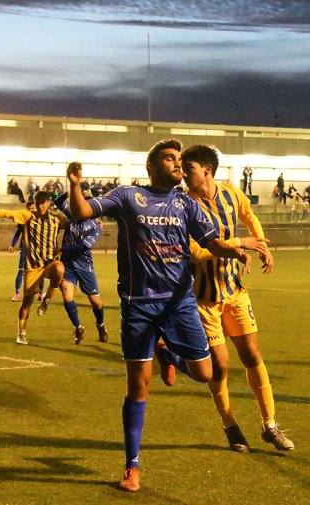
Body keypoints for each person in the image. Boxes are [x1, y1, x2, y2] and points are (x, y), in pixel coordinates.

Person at [65, 140, 248, 493]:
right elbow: (81, 212)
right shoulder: (128, 196)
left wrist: (239, 248)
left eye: (179, 160)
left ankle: (168, 354)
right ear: (151, 166)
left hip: (179, 303)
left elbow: (213, 243)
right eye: (169, 158)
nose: (178, 164)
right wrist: (74, 185)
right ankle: (132, 467)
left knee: (204, 372)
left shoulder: (186, 203)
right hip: (138, 304)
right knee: (138, 387)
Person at [179, 144, 293, 453]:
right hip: (203, 300)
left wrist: (263, 245)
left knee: (253, 356)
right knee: (220, 365)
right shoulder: (184, 205)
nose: (183, 175)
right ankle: (230, 425)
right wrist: (239, 241)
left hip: (235, 292)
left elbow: (250, 216)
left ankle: (270, 425)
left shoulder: (231, 194)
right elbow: (196, 252)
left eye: (187, 169)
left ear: (207, 170)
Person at [0, 190, 64, 345]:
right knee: (27, 302)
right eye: (38, 203)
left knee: (60, 269)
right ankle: (21, 332)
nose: (40, 206)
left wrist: (95, 221)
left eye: (43, 202)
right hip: (33, 267)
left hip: (49, 264)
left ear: (49, 203)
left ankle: (47, 299)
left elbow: (76, 223)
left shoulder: (56, 220)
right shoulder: (28, 216)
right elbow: (7, 213)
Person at [53, 192, 109, 345]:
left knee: (95, 302)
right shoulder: (73, 214)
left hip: (84, 266)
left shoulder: (95, 226)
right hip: (68, 265)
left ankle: (101, 325)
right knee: (67, 297)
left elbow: (84, 246)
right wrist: (69, 192)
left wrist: (63, 250)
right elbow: (58, 201)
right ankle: (79, 327)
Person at [9, 202, 45, 303]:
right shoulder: (22, 220)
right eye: (29, 208)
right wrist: (12, 245)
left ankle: (41, 294)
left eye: (32, 208)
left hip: (37, 249)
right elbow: (17, 234)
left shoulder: (40, 219)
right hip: (25, 248)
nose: (31, 210)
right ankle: (17, 294)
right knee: (21, 270)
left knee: (40, 272)